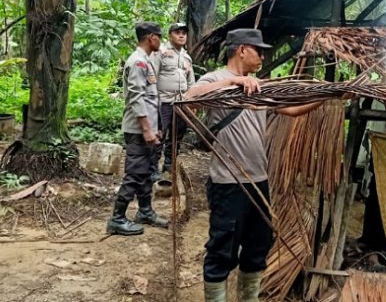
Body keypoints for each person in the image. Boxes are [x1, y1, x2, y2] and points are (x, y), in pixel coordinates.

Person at [185, 28, 323, 302]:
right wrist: (232, 82)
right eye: (259, 50)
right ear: (242, 50)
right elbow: (189, 99)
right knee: (222, 250)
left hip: (258, 181)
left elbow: (292, 110)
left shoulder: (257, 85)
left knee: (257, 249)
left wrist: (330, 95)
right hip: (228, 183)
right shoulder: (216, 79)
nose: (263, 55)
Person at [106, 22, 169, 235]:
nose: (160, 41)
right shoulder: (137, 63)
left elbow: (152, 100)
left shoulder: (146, 61)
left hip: (147, 128)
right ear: (151, 38)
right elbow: (136, 97)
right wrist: (146, 129)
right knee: (134, 173)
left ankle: (144, 211)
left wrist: (155, 127)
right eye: (159, 36)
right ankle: (117, 218)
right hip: (137, 130)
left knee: (146, 172)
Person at [153, 22, 195, 178]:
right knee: (159, 134)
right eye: (177, 32)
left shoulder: (187, 57)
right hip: (163, 101)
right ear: (170, 35)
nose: (182, 35)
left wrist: (192, 100)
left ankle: (169, 163)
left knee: (177, 134)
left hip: (181, 103)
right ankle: (153, 167)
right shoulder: (160, 52)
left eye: (184, 32)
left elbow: (191, 81)